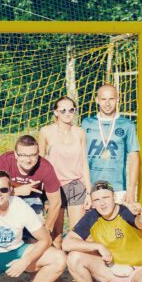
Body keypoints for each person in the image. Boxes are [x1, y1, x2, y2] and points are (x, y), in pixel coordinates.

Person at [39, 97, 92, 242]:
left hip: (76, 185)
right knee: (56, 235)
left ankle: (74, 262)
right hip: (54, 187)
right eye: (62, 110)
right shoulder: (46, 132)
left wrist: (88, 192)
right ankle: (59, 263)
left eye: (71, 110)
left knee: (78, 234)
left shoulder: (80, 132)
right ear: (56, 112)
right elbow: (40, 162)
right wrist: (40, 191)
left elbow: (84, 163)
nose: (67, 113)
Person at [0, 135, 62, 239]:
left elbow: (56, 201)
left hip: (33, 198)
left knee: (38, 236)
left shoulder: (45, 167)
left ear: (38, 154)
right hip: (7, 196)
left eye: (33, 155)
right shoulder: (4, 161)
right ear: (16, 154)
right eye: (23, 155)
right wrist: (16, 192)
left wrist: (47, 230)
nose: (28, 160)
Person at [81, 84, 140, 204]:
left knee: (119, 223)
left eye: (111, 99)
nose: (107, 103)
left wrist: (131, 190)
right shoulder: (86, 123)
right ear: (97, 100)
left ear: (118, 99)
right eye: (103, 99)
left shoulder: (127, 124)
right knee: (92, 223)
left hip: (118, 189)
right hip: (90, 187)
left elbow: (134, 158)